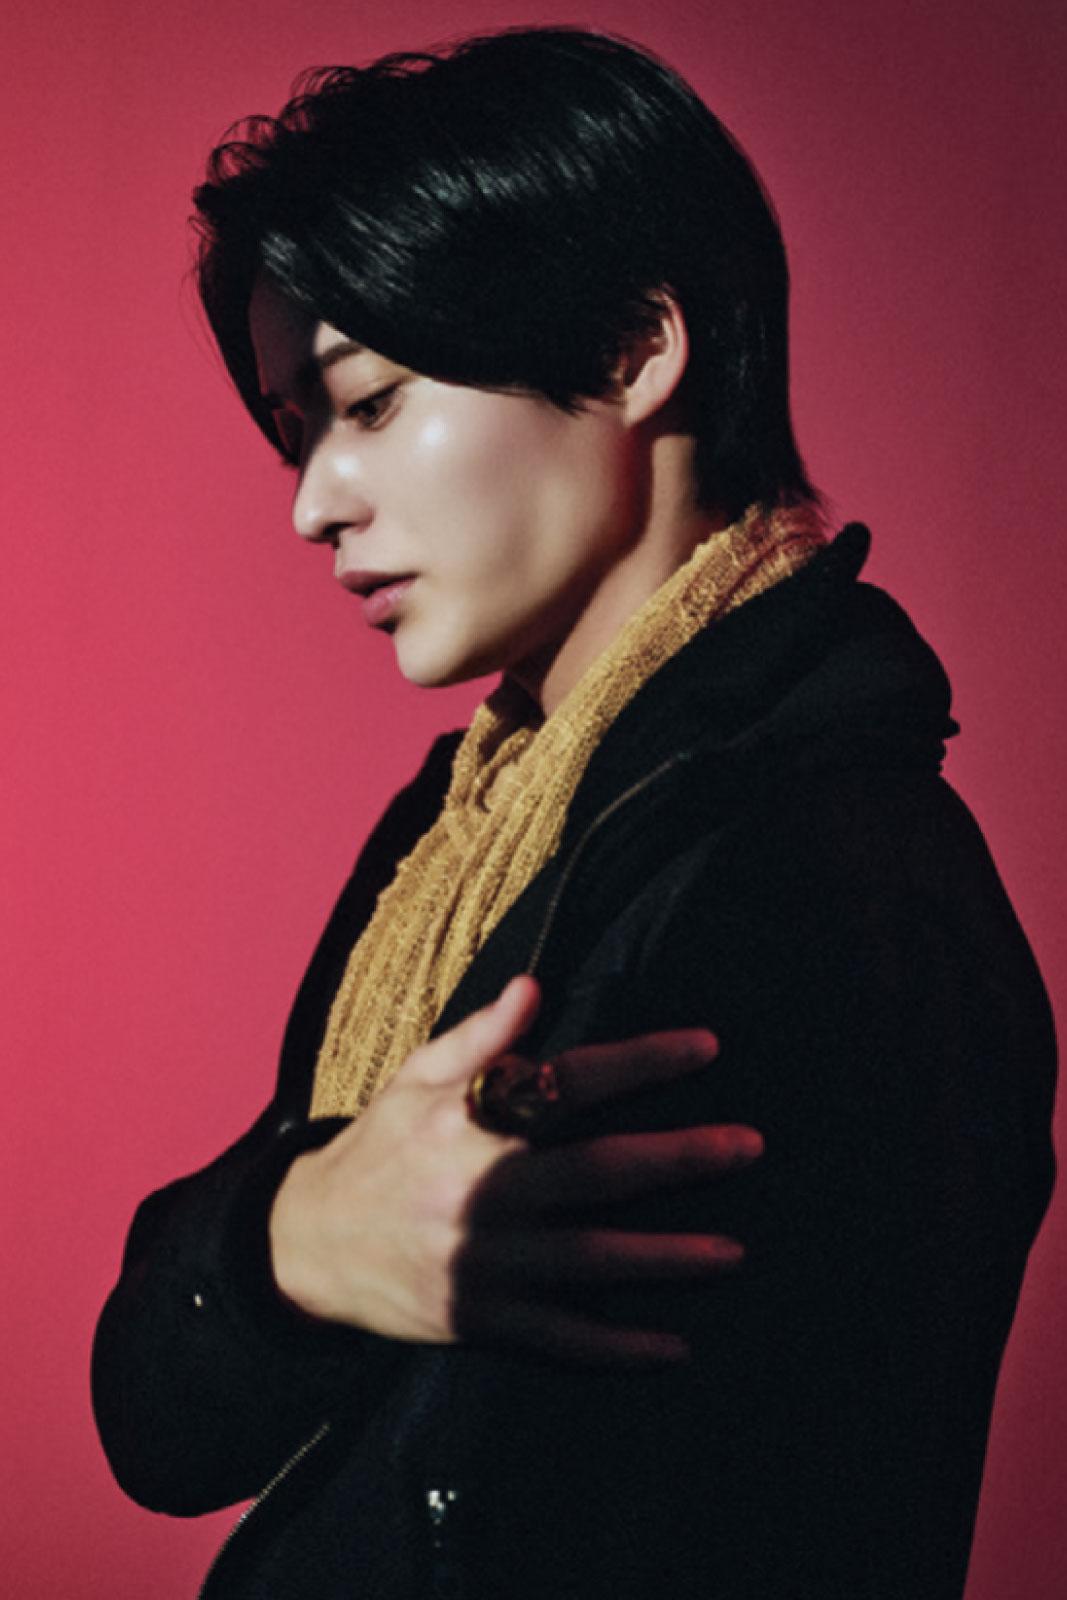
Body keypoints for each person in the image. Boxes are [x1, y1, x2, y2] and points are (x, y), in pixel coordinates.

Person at [91, 24, 1057, 1600]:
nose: (313, 501)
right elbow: (153, 1423)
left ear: (630, 348)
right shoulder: (466, 830)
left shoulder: (827, 882)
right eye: (295, 432)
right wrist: (295, 1239)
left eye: (369, 404)